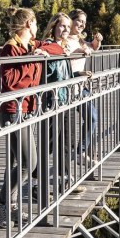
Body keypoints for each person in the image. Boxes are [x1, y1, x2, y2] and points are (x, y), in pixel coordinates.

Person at [0, 7, 49, 227]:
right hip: (13, 110)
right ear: (28, 24)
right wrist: (29, 59)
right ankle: (0, 203)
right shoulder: (11, 48)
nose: (37, 27)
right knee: (28, 162)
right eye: (36, 23)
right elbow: (9, 80)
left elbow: (53, 46)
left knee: (18, 161)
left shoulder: (31, 46)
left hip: (27, 108)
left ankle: (10, 208)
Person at [41, 12, 86, 195]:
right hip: (54, 100)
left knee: (67, 140)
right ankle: (37, 181)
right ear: (54, 27)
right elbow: (49, 73)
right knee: (50, 143)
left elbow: (63, 75)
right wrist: (60, 53)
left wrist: (78, 74)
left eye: (68, 26)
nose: (66, 29)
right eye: (62, 26)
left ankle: (65, 180)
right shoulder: (50, 46)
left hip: (65, 98)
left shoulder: (61, 47)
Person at [63, 9, 102, 159]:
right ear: (71, 20)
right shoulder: (64, 39)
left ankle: (81, 152)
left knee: (92, 117)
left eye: (84, 22)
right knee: (65, 128)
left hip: (80, 87)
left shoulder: (79, 40)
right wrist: (79, 50)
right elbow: (63, 55)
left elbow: (92, 47)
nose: (82, 25)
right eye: (79, 21)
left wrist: (97, 40)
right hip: (67, 88)